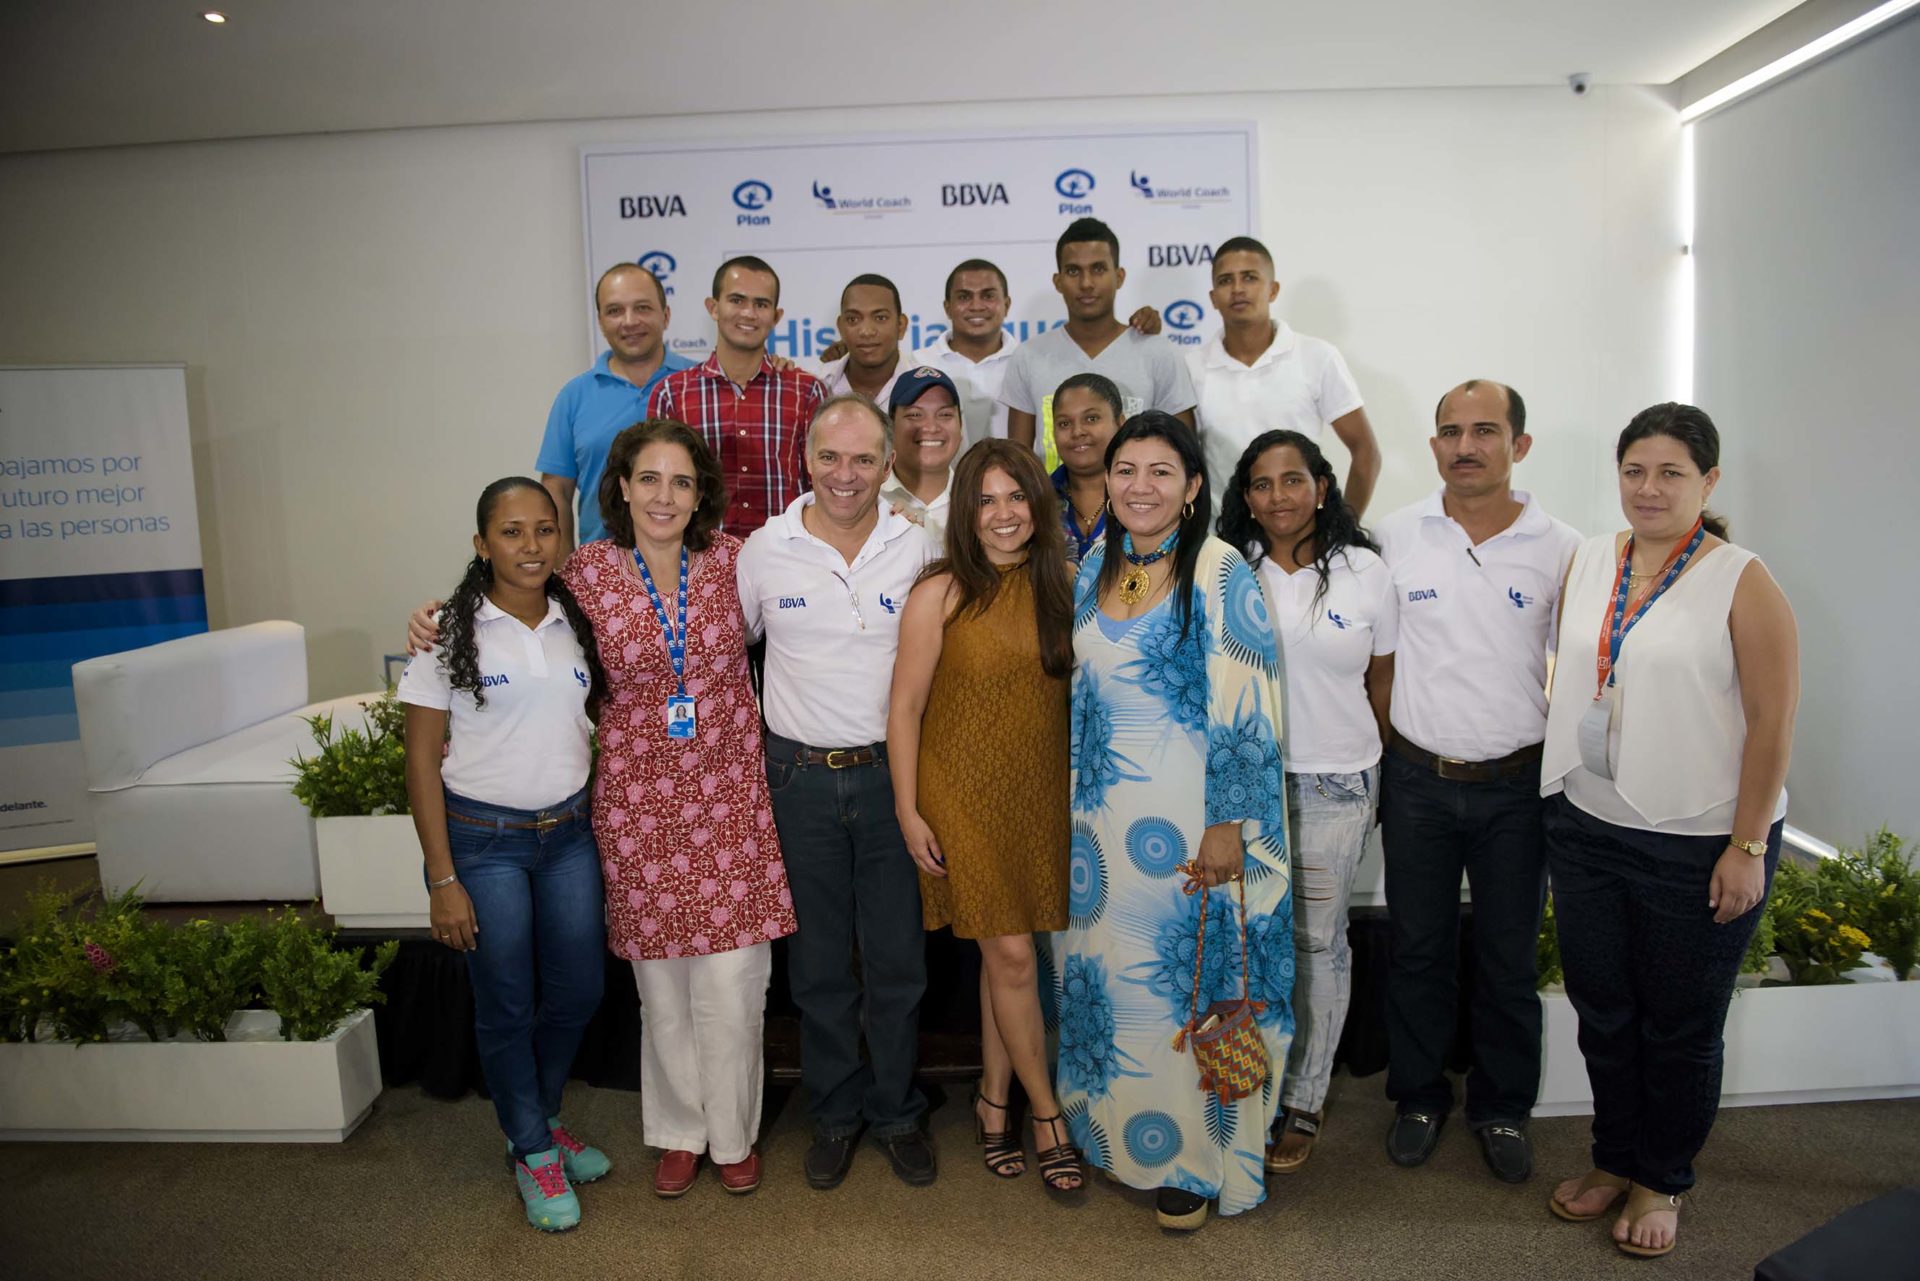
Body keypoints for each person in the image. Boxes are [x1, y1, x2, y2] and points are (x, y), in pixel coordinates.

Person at [404, 427, 800, 1201]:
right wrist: (431, 615)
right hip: (636, 806)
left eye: (681, 482)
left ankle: (734, 1132)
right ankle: (683, 1134)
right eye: (647, 478)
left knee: (733, 980)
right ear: (619, 486)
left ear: (700, 494)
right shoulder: (581, 573)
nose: (663, 495)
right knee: (661, 989)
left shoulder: (735, 561)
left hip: (729, 802)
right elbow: (501, 597)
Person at [1540, 403, 1797, 1260]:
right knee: (1604, 1010)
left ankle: (1662, 1177)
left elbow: (1772, 723)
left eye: (1671, 473)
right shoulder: (1592, 556)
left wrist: (1748, 844)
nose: (1648, 489)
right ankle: (1615, 1157)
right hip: (1588, 824)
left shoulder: (1741, 578)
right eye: (1635, 471)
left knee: (1680, 1022)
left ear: (1709, 481)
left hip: (1696, 840)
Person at [1054, 410, 1291, 1231]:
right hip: (1104, 830)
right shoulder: (1095, 565)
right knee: (1118, 985)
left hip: (1193, 825)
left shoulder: (1220, 568)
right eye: (1125, 469)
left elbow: (1249, 702)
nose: (1139, 486)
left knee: (1185, 989)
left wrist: (1228, 823)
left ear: (1193, 488)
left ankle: (1197, 1161)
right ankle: (1119, 1140)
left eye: (1161, 471)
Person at [1373, 380, 1581, 1183]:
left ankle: (1501, 1108)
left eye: (1484, 430)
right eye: (1450, 431)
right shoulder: (1397, 535)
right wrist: (1395, 753)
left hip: (1515, 789)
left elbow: (1583, 669)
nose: (1465, 445)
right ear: (1433, 447)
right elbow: (1379, 661)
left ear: (1518, 445)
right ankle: (1418, 1097)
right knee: (1417, 950)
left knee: (1507, 959)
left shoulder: (1562, 546)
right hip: (1419, 781)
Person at [398, 477, 612, 1233]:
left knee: (581, 988)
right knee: (507, 1000)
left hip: (568, 836)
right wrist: (442, 877)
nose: (531, 546)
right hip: (484, 843)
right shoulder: (450, 633)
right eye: (512, 532)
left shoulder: (574, 620)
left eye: (545, 530)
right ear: (481, 543)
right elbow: (421, 761)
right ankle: (529, 1145)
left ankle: (541, 1118)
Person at [736, 394, 938, 1190]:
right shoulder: (764, 549)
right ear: (806, 461)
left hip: (894, 778)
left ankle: (895, 1110)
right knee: (818, 964)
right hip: (798, 781)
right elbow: (719, 650)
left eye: (863, 459)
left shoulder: (919, 545)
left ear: (888, 464)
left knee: (896, 960)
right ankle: (833, 1112)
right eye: (830, 457)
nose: (845, 475)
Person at [887, 439, 1080, 1199]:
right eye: (986, 499)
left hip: (1036, 794)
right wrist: (907, 809)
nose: (1003, 515)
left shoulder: (1066, 583)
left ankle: (992, 1098)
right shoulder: (938, 591)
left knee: (1013, 955)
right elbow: (903, 709)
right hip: (959, 792)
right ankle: (1046, 1114)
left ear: (1039, 502)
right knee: (1013, 957)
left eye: (1016, 496)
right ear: (965, 509)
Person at [1217, 428, 1395, 1175]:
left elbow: (1382, 684)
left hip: (1333, 783)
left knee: (1315, 945)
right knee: (1242, 948)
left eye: (1295, 479)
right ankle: (1245, 1092)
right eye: (1262, 483)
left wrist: (1377, 782)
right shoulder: (1227, 568)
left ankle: (1303, 1099)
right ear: (1246, 497)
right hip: (1241, 786)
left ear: (1323, 486)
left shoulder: (1366, 571)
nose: (1279, 495)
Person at [1188, 237, 1381, 518]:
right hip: (1224, 540)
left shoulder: (1317, 356)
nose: (1238, 289)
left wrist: (1344, 530)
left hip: (1304, 538)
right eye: (1226, 280)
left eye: (1250, 277)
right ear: (1213, 297)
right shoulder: (1192, 366)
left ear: (1273, 289)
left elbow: (1366, 452)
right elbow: (1181, 464)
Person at [650, 256, 826, 538]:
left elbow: (820, 485)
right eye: (737, 300)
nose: (748, 313)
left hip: (787, 559)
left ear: (776, 316)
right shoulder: (672, 394)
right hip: (698, 560)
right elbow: (657, 487)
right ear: (713, 307)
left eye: (761, 304)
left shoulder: (805, 391)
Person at [1001, 218, 1195, 469]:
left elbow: (1185, 457)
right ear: (1058, 281)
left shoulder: (1158, 353)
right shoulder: (1028, 356)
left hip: (1138, 504)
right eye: (1073, 271)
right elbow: (1018, 462)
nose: (1086, 283)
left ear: (1119, 276)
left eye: (1098, 269)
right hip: (1054, 506)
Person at [537, 263, 694, 552]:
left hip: (691, 571)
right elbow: (556, 492)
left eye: (643, 308)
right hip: (600, 576)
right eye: (615, 311)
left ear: (666, 315)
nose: (629, 321)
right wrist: (562, 574)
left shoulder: (699, 384)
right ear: (600, 321)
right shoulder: (574, 396)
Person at [910, 259, 1017, 446]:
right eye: (964, 297)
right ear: (947, 308)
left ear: (1006, 305)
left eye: (988, 296)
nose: (976, 306)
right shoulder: (917, 365)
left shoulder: (1028, 362)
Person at [877, 366, 963, 547]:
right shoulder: (868, 498)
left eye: (945, 414)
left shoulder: (980, 500)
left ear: (961, 426)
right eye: (915, 415)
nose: (931, 427)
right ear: (890, 427)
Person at [1049, 373, 1120, 564]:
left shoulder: (1143, 495)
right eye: (1064, 423)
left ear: (1120, 423)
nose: (1077, 431)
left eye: (1091, 418)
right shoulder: (1036, 498)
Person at [811, 274, 909, 406]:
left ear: (901, 325)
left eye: (880, 318)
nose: (866, 332)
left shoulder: (930, 385)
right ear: (840, 327)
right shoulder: (815, 386)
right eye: (853, 319)